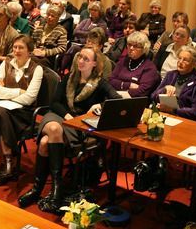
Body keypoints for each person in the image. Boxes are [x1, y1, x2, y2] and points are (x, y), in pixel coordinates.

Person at [18, 46, 120, 213]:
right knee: (53, 127)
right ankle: (56, 191)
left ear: (94, 63)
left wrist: (100, 105)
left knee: (45, 142)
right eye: (80, 57)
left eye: (86, 59)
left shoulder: (100, 83)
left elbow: (116, 100)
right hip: (60, 118)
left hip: (81, 126)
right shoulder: (69, 78)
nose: (80, 61)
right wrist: (67, 117)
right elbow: (55, 103)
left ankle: (39, 190)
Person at [0, 35, 43, 188]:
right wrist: (18, 92)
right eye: (15, 47)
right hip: (5, 108)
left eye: (21, 48)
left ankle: (1, 160)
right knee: (0, 112)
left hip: (24, 113)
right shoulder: (6, 63)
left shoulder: (37, 69)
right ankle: (9, 162)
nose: (16, 51)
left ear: (29, 51)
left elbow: (29, 98)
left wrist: (7, 94)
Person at [151, 45, 196, 121]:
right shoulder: (171, 75)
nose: (180, 62)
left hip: (184, 120)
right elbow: (153, 96)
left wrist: (173, 110)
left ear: (195, 64)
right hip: (164, 115)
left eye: (185, 60)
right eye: (179, 58)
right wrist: (164, 88)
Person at [108, 31, 160, 98]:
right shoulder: (123, 61)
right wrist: (128, 85)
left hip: (135, 103)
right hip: (115, 97)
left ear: (144, 48)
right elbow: (111, 80)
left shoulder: (149, 67)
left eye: (135, 46)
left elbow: (142, 91)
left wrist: (119, 91)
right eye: (129, 44)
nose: (131, 48)